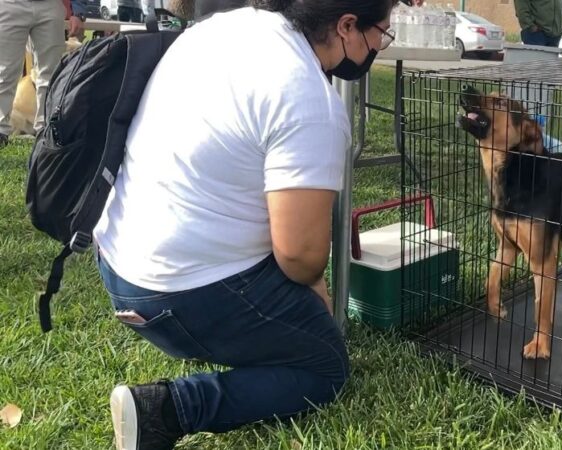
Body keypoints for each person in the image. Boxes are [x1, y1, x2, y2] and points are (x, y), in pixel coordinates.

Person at [94, 0, 397, 448]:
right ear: (347, 26)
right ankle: (166, 408)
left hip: (115, 260)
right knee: (324, 366)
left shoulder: (224, 28)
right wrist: (314, 306)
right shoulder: (312, 100)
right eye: (380, 35)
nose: (380, 48)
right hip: (176, 292)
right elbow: (299, 257)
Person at [0, 0, 86, 148]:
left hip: (50, 5)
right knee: (5, 73)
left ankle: (45, 132)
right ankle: (1, 131)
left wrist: (77, 12)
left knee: (50, 76)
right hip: (10, 4)